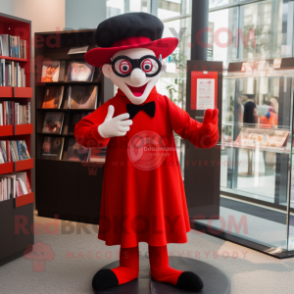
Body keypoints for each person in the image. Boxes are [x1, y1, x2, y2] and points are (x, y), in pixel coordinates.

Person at [74, 13, 219, 293]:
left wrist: (210, 131)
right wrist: (102, 131)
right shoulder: (112, 107)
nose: (138, 75)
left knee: (157, 220)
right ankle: (127, 267)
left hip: (159, 184)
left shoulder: (164, 105)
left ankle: (162, 268)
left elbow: (194, 133)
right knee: (128, 220)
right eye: (126, 66)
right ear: (109, 70)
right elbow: (82, 131)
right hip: (125, 183)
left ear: (158, 66)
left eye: (146, 65)